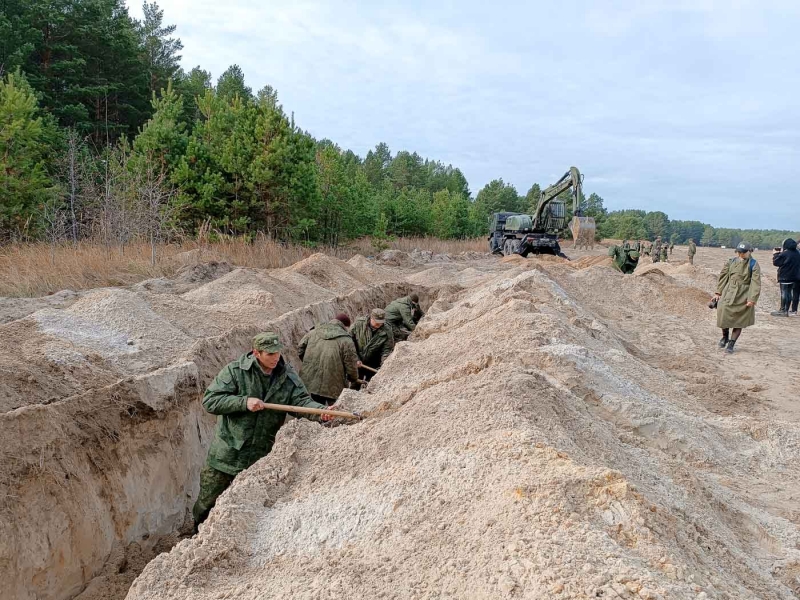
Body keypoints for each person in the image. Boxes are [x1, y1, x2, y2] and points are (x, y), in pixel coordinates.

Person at [192, 332, 329, 528]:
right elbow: (210, 401)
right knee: (207, 503)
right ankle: (197, 535)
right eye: (269, 354)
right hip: (227, 453)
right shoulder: (235, 372)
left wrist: (321, 411)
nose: (275, 358)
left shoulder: (287, 376)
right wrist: (243, 402)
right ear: (256, 353)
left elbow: (302, 402)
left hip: (260, 456)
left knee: (249, 507)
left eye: (277, 353)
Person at [298, 313, 360, 406]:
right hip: (334, 383)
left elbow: (300, 349)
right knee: (334, 410)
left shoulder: (313, 332)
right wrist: (353, 378)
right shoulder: (346, 340)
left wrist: (309, 363)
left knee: (316, 406)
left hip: (312, 380)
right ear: (345, 326)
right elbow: (351, 364)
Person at [714, 242, 761, 353]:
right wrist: (718, 292)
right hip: (728, 292)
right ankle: (725, 337)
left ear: (750, 251)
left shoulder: (753, 264)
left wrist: (752, 299)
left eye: (743, 253)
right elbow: (723, 277)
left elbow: (756, 282)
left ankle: (731, 343)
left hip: (743, 294)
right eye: (739, 252)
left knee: (739, 320)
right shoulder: (731, 262)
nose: (741, 255)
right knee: (723, 313)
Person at [351, 308, 395, 375]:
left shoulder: (387, 330)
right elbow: (349, 342)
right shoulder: (359, 324)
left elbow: (387, 350)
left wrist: (384, 365)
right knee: (355, 382)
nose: (379, 324)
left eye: (381, 322)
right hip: (357, 360)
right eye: (377, 321)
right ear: (371, 317)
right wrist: (355, 358)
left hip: (374, 363)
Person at [771, 238, 800, 317]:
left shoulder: (785, 254)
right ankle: (786, 310)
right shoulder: (797, 253)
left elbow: (776, 262)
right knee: (789, 293)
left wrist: (775, 254)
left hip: (785, 276)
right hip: (794, 277)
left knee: (784, 293)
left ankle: (783, 310)